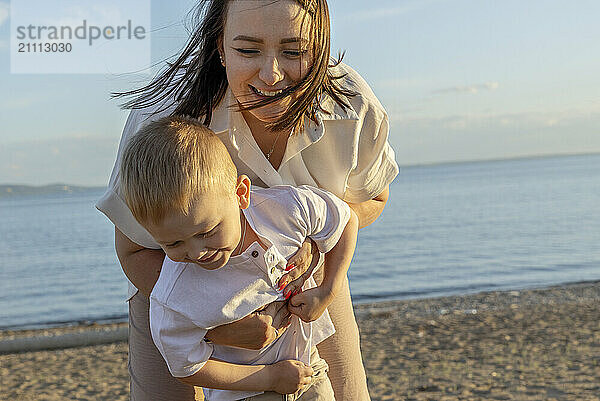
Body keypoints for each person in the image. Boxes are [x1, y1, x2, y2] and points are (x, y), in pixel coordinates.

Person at [97, 0, 399, 400]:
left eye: (294, 51)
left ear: (322, 47)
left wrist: (314, 254)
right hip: (177, 296)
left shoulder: (351, 104)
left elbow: (373, 198)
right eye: (247, 50)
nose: (271, 74)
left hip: (302, 284)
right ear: (220, 46)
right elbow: (135, 251)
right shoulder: (163, 119)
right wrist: (212, 324)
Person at [119, 116, 358, 400]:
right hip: (246, 392)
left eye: (207, 231)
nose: (196, 253)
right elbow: (186, 365)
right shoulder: (173, 295)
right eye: (173, 243)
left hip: (309, 371)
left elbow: (344, 220)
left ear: (240, 193)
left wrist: (329, 288)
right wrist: (269, 377)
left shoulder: (283, 210)